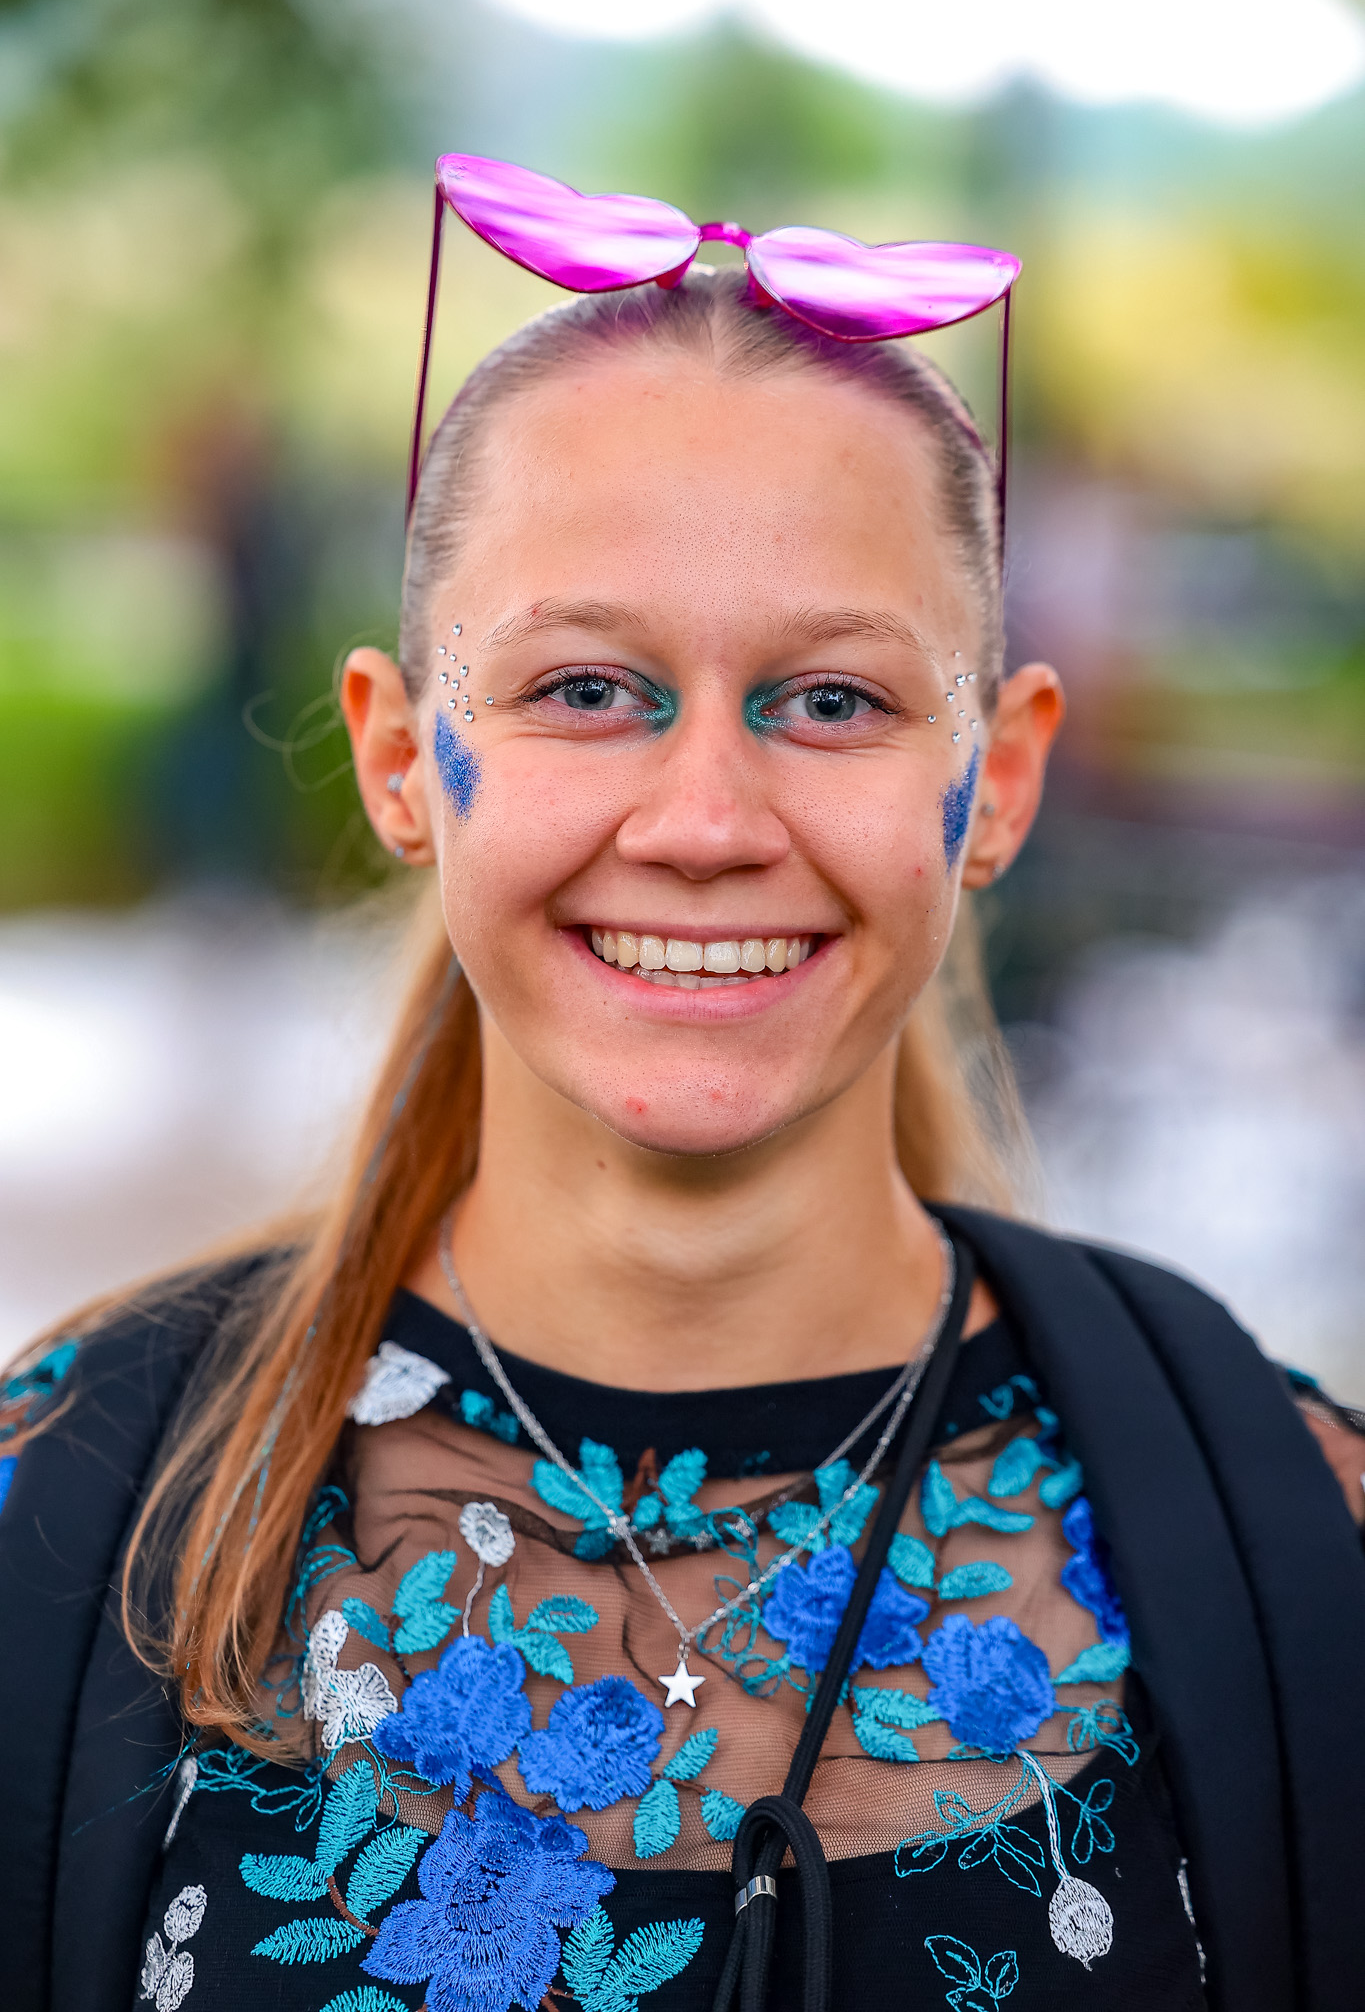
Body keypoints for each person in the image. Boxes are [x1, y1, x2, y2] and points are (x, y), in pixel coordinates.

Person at [2, 199, 1363, 2012]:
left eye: (831, 699)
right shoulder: (59, 1500)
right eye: (583, 688)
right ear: (402, 760)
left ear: (996, 778)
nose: (706, 821)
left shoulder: (1303, 1544)